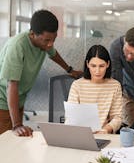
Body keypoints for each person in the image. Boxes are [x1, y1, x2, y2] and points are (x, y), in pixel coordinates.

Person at [0, 9, 83, 137]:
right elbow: (12, 85)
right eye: (47, 40)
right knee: (6, 146)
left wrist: (69, 70)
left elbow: (54, 54)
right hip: (3, 101)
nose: (50, 44)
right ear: (32, 34)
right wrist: (17, 125)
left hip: (18, 101)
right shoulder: (17, 46)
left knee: (17, 140)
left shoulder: (43, 44)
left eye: (53, 39)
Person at [68, 44, 122, 134]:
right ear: (87, 64)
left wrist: (106, 129)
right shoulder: (77, 85)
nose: (97, 71)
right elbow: (71, 117)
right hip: (80, 133)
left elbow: (117, 117)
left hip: (103, 134)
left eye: (101, 66)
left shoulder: (115, 86)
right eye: (93, 66)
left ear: (108, 64)